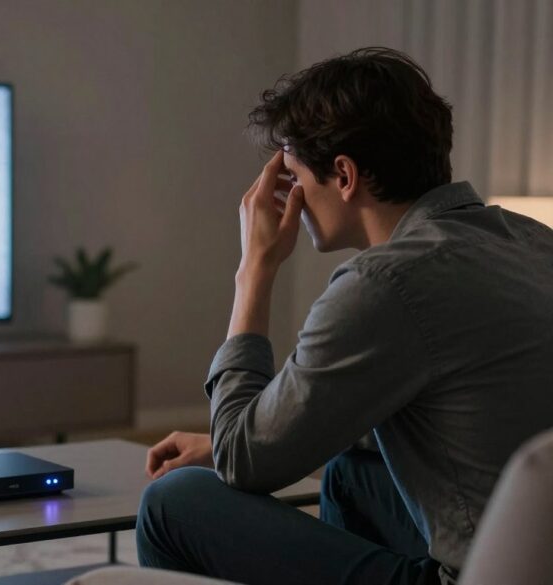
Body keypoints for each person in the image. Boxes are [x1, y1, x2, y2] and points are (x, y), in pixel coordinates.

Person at [137, 47, 553, 585]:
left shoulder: (385, 282)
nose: (293, 201)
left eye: (293, 178)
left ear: (344, 174)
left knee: (174, 503)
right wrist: (230, 440)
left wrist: (254, 271)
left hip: (479, 574)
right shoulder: (532, 240)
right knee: (352, 471)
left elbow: (246, 462)